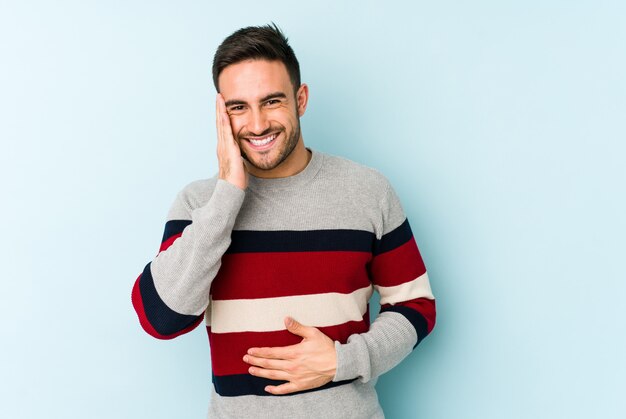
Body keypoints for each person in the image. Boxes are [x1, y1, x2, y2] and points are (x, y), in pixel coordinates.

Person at [131, 23, 436, 419]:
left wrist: (346, 360)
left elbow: (416, 305)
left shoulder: (367, 190)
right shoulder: (200, 204)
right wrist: (228, 194)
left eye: (272, 101)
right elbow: (161, 319)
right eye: (238, 107)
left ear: (301, 99)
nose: (257, 125)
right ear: (221, 113)